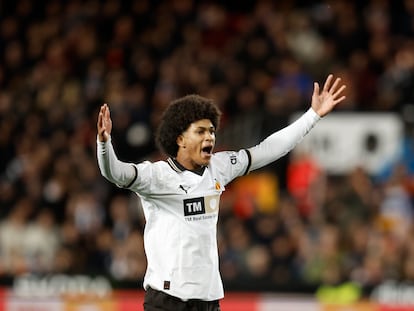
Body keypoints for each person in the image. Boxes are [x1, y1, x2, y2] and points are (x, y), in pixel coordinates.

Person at [96, 74, 346, 311]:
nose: (210, 137)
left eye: (212, 131)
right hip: (167, 300)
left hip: (208, 298)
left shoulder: (220, 167)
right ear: (180, 139)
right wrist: (105, 144)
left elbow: (268, 149)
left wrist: (313, 116)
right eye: (201, 131)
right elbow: (115, 173)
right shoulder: (156, 176)